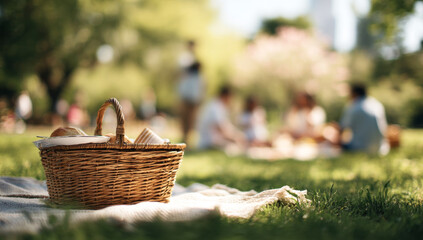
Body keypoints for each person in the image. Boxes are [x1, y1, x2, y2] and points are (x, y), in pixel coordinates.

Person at [340, 83, 389, 155]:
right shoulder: (377, 104)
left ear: (354, 93)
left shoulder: (353, 106)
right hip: (380, 148)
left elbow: (342, 128)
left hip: (358, 148)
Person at [197, 86, 244, 150]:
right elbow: (221, 129)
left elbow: (226, 126)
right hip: (209, 142)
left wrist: (238, 135)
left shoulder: (218, 106)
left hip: (212, 140)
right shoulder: (215, 107)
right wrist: (235, 138)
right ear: (225, 96)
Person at [178, 41, 205, 144]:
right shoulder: (185, 58)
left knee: (191, 119)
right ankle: (184, 138)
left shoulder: (196, 60)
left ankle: (188, 139)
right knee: (184, 118)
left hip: (194, 95)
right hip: (185, 94)